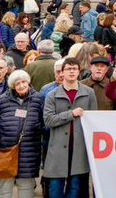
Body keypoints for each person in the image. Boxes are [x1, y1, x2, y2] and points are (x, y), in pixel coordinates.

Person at [43, 57, 97, 198]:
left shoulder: (89, 93)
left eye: (75, 69)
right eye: (68, 69)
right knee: (55, 190)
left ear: (79, 72)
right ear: (62, 72)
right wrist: (71, 114)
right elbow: (48, 120)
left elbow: (93, 120)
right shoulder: (52, 95)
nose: (72, 71)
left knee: (75, 190)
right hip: (57, 149)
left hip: (79, 149)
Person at [0, 71, 43, 198]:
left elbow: (44, 122)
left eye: (23, 82)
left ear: (28, 82)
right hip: (5, 151)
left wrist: (37, 128)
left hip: (29, 151)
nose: (21, 85)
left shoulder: (38, 99)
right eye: (17, 83)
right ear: (12, 86)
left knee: (26, 188)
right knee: (4, 189)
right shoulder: (1, 100)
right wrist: (0, 138)